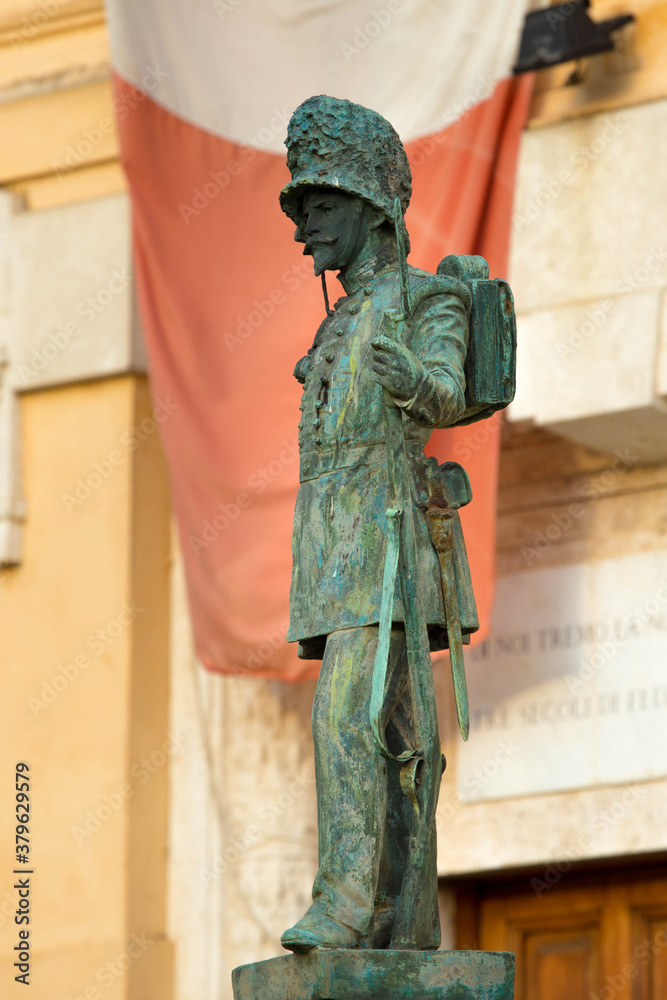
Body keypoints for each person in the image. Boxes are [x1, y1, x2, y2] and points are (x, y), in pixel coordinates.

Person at [278, 95, 476, 953]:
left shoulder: (425, 300)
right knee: (396, 732)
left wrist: (408, 377)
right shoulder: (337, 319)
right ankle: (405, 914)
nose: (302, 231)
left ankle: (348, 901)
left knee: (345, 716)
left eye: (318, 208)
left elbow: (449, 394)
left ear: (367, 209)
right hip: (333, 547)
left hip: (389, 541)